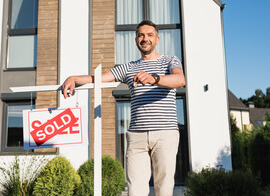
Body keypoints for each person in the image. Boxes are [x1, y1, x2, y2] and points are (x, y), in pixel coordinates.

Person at [62, 20, 186, 196]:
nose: (145, 39)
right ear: (136, 40)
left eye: (150, 35)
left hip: (165, 133)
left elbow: (180, 80)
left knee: (164, 187)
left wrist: (154, 78)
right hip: (137, 135)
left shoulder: (169, 61)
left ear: (157, 39)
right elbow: (97, 78)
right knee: (134, 189)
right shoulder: (129, 67)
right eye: (141, 35)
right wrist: (74, 78)